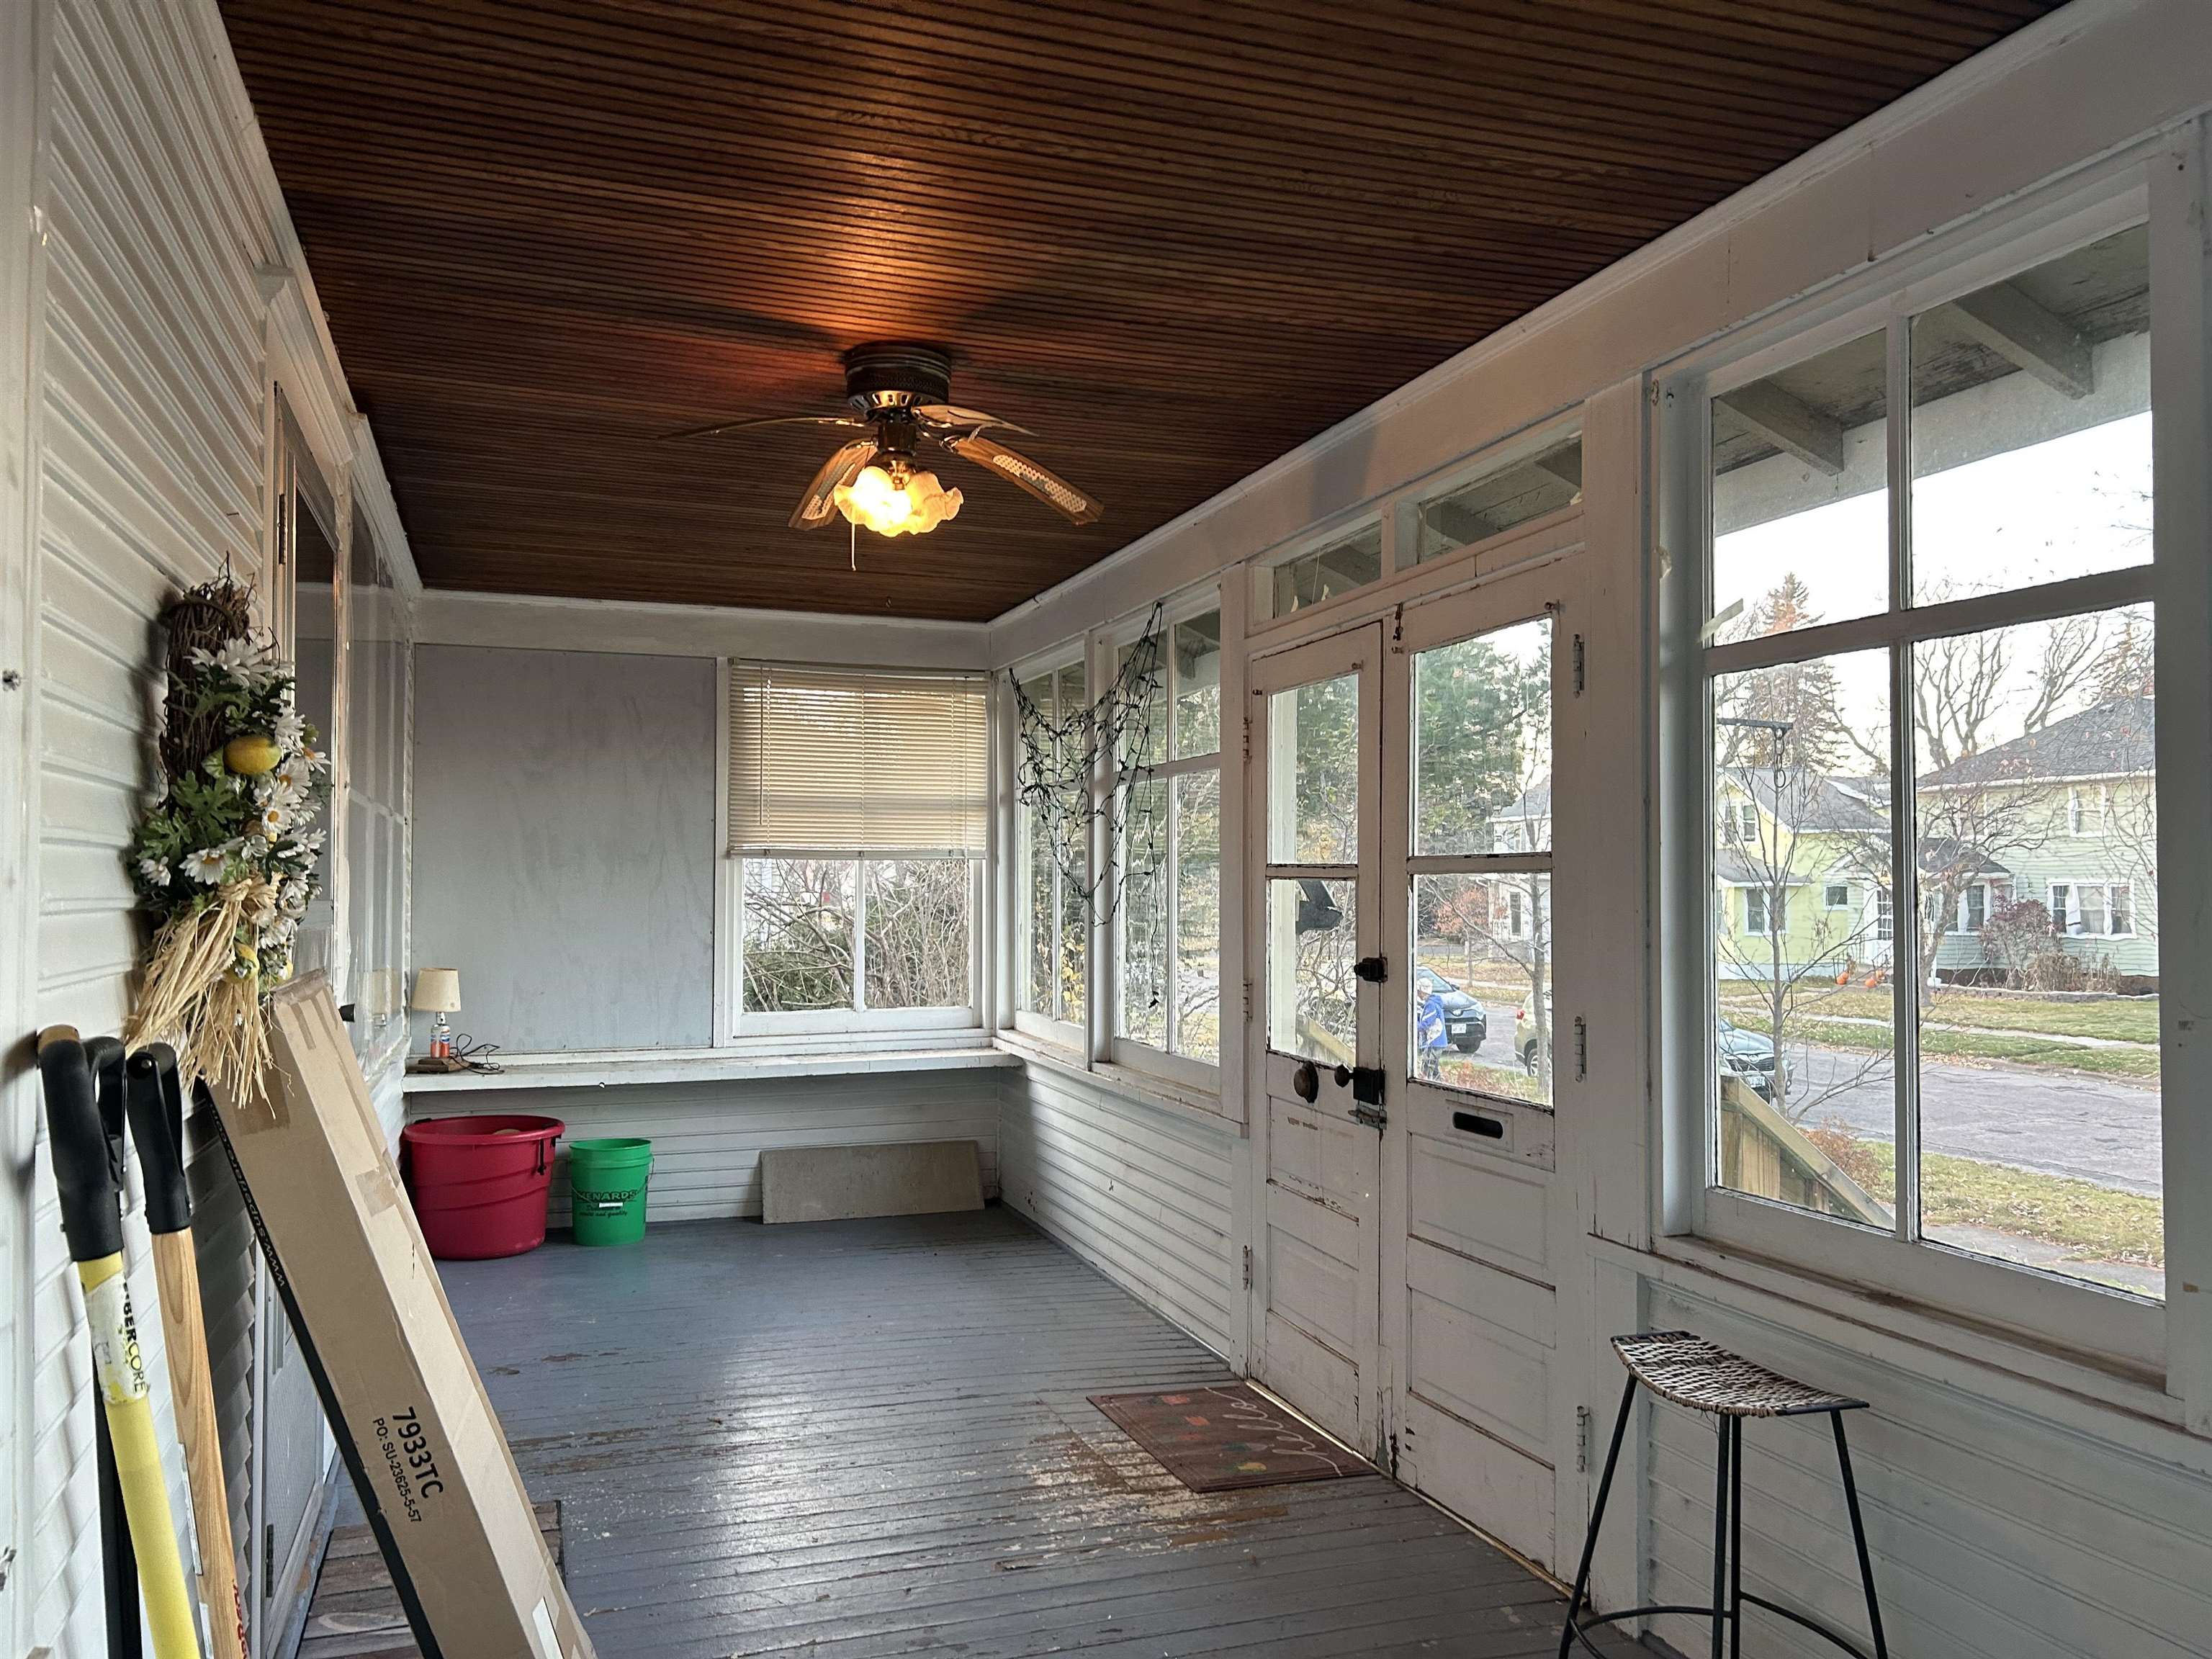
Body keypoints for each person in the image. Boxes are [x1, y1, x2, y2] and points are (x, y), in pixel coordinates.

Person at [1416, 984, 1449, 1081]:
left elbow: (1426, 1023)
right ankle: (1439, 1084)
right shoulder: (1432, 1003)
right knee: (1433, 1068)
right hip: (1436, 1041)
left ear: (1423, 992)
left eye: (1419, 992)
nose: (1418, 994)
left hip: (1435, 1041)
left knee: (1427, 1067)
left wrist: (1414, 1026)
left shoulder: (1431, 1005)